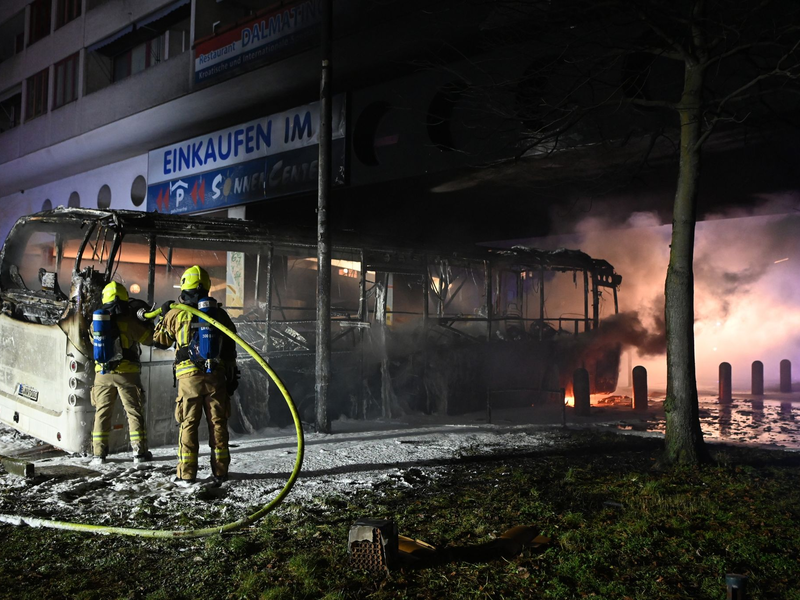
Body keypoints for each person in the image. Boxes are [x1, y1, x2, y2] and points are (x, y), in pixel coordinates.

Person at [153, 265, 238, 485]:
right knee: (218, 423)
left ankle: (186, 474)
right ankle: (221, 472)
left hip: (188, 378)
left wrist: (163, 315)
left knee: (188, 423)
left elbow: (159, 341)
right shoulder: (218, 313)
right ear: (207, 286)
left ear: (184, 285)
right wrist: (230, 373)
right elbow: (230, 344)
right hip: (216, 376)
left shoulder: (175, 313)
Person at [90, 281, 154, 465]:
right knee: (133, 412)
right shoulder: (128, 322)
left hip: (102, 374)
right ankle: (139, 453)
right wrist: (147, 321)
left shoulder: (96, 324)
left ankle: (98, 454)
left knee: (102, 413)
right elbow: (149, 339)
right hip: (127, 373)